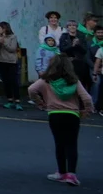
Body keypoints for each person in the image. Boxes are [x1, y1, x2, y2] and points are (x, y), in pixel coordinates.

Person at [30, 53, 94, 186]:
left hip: (54, 114)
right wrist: (87, 111)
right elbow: (87, 98)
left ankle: (61, 172)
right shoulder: (74, 81)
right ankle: (72, 175)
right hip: (72, 115)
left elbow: (32, 89)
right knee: (71, 144)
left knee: (59, 144)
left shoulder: (46, 80)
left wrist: (40, 103)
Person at [0, 22, 21, 109]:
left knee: (14, 81)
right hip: (1, 61)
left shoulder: (13, 37)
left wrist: (4, 42)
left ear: (5, 29)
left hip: (12, 61)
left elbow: (12, 49)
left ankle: (17, 101)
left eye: (0, 28)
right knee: (6, 82)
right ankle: (9, 100)